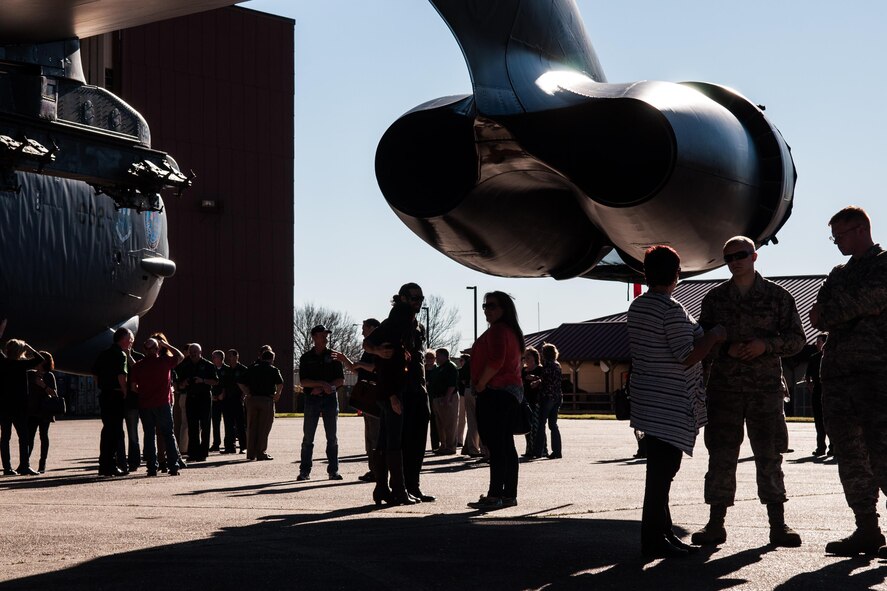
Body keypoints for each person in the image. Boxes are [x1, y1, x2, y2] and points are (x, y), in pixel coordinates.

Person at [692, 236, 806, 548]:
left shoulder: (777, 296)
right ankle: (715, 525)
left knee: (769, 456)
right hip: (725, 390)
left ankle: (778, 525)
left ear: (754, 256)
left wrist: (765, 345)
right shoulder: (714, 299)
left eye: (741, 255)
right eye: (729, 257)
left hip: (764, 390)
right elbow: (702, 342)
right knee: (721, 456)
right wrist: (726, 349)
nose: (735, 261)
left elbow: (797, 339)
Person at [626, 245, 726, 558]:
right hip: (668, 406)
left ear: (646, 273)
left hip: (648, 402)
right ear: (677, 274)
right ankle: (653, 540)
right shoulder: (670, 309)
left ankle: (663, 533)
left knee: (659, 475)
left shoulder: (638, 307)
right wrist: (714, 336)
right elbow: (687, 356)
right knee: (660, 477)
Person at [809, 206, 887, 556]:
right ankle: (866, 529)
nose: (836, 243)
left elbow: (868, 300)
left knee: (883, 453)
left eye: (838, 236)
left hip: (877, 377)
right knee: (851, 456)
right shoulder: (838, 273)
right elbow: (818, 315)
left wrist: (842, 308)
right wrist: (848, 307)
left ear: (859, 230)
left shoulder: (884, 265)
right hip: (839, 381)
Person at [364, 283, 434, 504]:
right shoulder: (395, 321)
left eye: (420, 298)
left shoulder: (416, 325)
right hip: (399, 390)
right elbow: (370, 344)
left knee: (412, 440)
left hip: (416, 389)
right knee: (394, 440)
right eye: (414, 298)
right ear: (402, 298)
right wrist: (378, 351)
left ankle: (406, 487)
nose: (418, 301)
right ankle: (396, 489)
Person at [467, 291, 526, 510]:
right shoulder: (510, 331)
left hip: (497, 391)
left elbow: (496, 360)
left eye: (492, 306)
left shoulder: (499, 330)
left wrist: (481, 384)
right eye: (485, 306)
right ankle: (508, 494)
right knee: (506, 446)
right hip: (509, 392)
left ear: (504, 309)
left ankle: (495, 494)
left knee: (497, 446)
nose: (487, 310)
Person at [333, 318, 381, 482]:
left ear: (373, 328)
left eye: (364, 328)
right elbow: (356, 369)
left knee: (375, 435)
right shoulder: (368, 349)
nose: (362, 332)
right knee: (369, 436)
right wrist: (344, 359)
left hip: (376, 396)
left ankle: (378, 471)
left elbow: (375, 368)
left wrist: (360, 364)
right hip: (367, 397)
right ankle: (373, 469)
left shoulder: (378, 347)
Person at [130, 336, 185, 476]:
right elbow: (181, 356)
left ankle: (152, 468)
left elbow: (133, 387)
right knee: (168, 434)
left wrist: (144, 392)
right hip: (163, 403)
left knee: (149, 436)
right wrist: (166, 344)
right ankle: (173, 466)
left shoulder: (138, 365)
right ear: (157, 349)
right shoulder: (165, 361)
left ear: (144, 350)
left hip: (145, 404)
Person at [296, 326, 344, 479]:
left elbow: (340, 380)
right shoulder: (306, 357)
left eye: (327, 334)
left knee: (332, 437)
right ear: (314, 337)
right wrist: (320, 384)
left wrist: (328, 387)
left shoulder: (334, 356)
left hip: (330, 399)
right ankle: (304, 471)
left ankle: (333, 470)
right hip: (312, 400)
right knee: (308, 437)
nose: (326, 337)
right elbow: (303, 381)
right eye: (323, 334)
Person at [1, 339, 45, 476]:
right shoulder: (21, 365)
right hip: (19, 406)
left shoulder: (3, 363)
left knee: (5, 437)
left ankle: (7, 468)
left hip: (3, 405)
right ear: (20, 351)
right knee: (23, 437)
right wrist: (29, 347)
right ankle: (24, 466)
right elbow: (40, 358)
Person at [92, 328, 132, 477]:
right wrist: (125, 393)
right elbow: (122, 376)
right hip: (116, 395)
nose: (131, 342)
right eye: (130, 339)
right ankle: (111, 466)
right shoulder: (120, 354)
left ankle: (104, 465)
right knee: (115, 432)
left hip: (105, 395)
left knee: (107, 430)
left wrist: (102, 385)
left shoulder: (104, 353)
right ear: (123, 339)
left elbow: (94, 373)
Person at [238, 347, 284, 462]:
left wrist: (247, 392)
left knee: (251, 426)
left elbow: (240, 381)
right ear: (272, 359)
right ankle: (261, 452)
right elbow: (280, 383)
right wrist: (277, 394)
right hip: (266, 400)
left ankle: (251, 453)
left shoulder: (252, 368)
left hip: (252, 399)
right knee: (264, 427)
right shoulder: (273, 369)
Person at [175, 344, 219, 462]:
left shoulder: (208, 365)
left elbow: (215, 381)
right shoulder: (185, 365)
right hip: (191, 397)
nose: (193, 353)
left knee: (205, 425)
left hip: (204, 397)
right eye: (191, 351)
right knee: (192, 426)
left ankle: (203, 453)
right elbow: (178, 382)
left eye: (195, 351)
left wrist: (202, 380)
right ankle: (193, 453)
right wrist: (183, 383)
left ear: (200, 352)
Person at [26, 352, 58, 474]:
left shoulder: (49, 376)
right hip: (32, 411)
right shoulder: (30, 374)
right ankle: (25, 462)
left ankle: (42, 464)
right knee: (29, 437)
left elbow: (54, 394)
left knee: (43, 436)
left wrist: (43, 385)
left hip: (45, 411)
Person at [430, 348, 460, 455]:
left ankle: (451, 447)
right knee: (440, 424)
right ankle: (443, 445)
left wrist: (447, 397)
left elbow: (452, 384)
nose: (436, 358)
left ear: (444, 355)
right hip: (437, 398)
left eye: (438, 355)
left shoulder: (450, 366)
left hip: (448, 397)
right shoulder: (438, 368)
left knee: (449, 424)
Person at [805, 334, 830, 457]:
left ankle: (833, 447)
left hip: (830, 391)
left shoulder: (831, 356)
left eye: (819, 342)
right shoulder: (814, 358)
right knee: (819, 421)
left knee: (830, 420)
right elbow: (808, 375)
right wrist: (810, 385)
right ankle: (821, 447)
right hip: (817, 390)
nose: (817, 344)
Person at [537, 343, 563, 459]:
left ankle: (538, 450)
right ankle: (557, 451)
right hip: (557, 397)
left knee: (541, 424)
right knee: (553, 425)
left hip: (547, 397)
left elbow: (545, 381)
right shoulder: (557, 365)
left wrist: (536, 381)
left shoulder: (547, 366)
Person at [221, 349, 248, 454]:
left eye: (231, 356)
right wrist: (223, 395)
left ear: (237, 357)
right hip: (227, 400)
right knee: (228, 424)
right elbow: (223, 385)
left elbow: (246, 385)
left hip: (238, 400)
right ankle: (229, 447)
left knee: (240, 424)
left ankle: (243, 446)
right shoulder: (227, 370)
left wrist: (243, 396)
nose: (229, 358)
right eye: (228, 356)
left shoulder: (242, 369)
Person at [521, 347, 544, 459]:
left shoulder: (540, 369)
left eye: (528, 356)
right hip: (525, 401)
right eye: (525, 356)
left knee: (537, 426)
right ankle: (529, 450)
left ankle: (541, 449)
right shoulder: (523, 370)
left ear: (535, 357)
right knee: (527, 426)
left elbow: (546, 380)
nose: (526, 358)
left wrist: (536, 379)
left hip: (537, 401)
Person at [458, 353, 483, 457]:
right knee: (482, 421)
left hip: (468, 389)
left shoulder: (469, 362)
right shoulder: (483, 360)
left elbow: (462, 379)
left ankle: (472, 448)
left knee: (472, 421)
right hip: (478, 390)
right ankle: (483, 449)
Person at [209, 350, 227, 453]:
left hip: (225, 400)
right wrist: (212, 396)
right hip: (215, 399)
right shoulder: (212, 369)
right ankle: (216, 444)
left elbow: (228, 384)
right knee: (215, 423)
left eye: (215, 357)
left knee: (228, 423)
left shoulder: (227, 369)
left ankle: (229, 443)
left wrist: (223, 394)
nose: (213, 359)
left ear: (220, 358)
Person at [424, 350, 441, 452]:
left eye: (431, 358)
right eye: (427, 357)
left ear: (435, 359)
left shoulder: (438, 370)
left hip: (434, 397)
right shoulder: (422, 368)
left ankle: (435, 445)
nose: (429, 360)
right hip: (424, 397)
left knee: (435, 422)